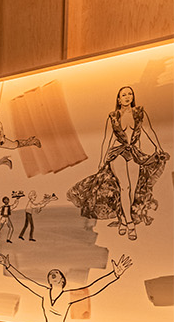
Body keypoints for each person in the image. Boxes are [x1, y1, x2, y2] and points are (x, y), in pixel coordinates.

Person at [68, 85, 168, 239]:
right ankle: (130, 223)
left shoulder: (139, 113)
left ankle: (122, 219)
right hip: (118, 154)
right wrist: (102, 160)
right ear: (118, 98)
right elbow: (107, 140)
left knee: (133, 190)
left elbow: (149, 131)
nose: (127, 97)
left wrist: (159, 148)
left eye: (130, 94)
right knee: (123, 187)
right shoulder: (113, 116)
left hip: (134, 153)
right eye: (124, 94)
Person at [0, 253, 132, 322]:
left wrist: (115, 274)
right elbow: (26, 282)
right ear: (49, 281)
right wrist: (8, 266)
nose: (52, 274)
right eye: (51, 274)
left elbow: (93, 288)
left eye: (56, 273)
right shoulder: (44, 293)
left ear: (62, 280)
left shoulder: (67, 296)